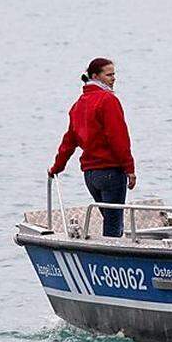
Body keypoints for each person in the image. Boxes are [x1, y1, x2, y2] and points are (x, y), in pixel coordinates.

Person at [48, 57, 136, 237]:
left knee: (110, 219)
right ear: (96, 76)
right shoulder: (108, 100)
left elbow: (69, 141)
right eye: (109, 75)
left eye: (114, 74)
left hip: (91, 176)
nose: (113, 78)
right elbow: (119, 138)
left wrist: (56, 168)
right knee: (113, 225)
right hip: (111, 171)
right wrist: (130, 169)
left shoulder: (79, 104)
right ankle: (112, 261)